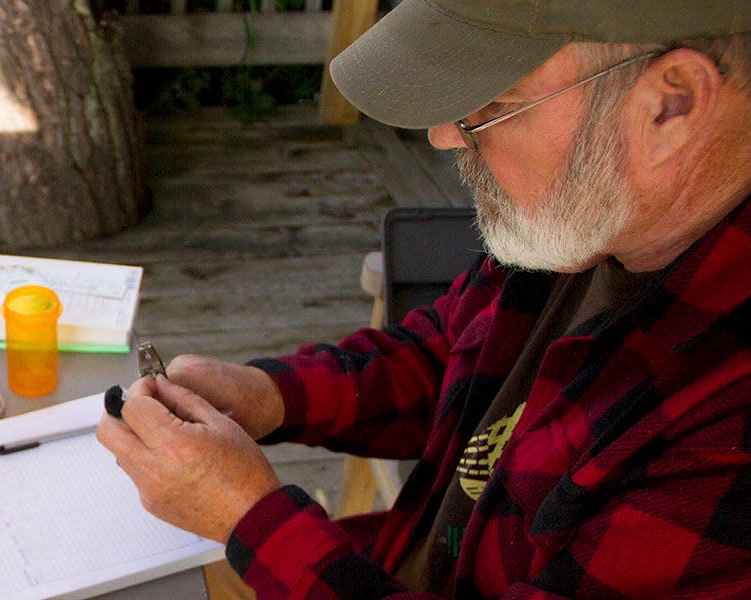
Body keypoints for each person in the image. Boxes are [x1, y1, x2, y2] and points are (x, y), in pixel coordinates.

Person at [97, 0, 750, 597]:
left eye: (491, 102)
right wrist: (266, 396)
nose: (444, 134)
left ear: (673, 103)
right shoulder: (590, 215)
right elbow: (451, 355)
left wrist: (248, 517)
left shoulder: (725, 432)